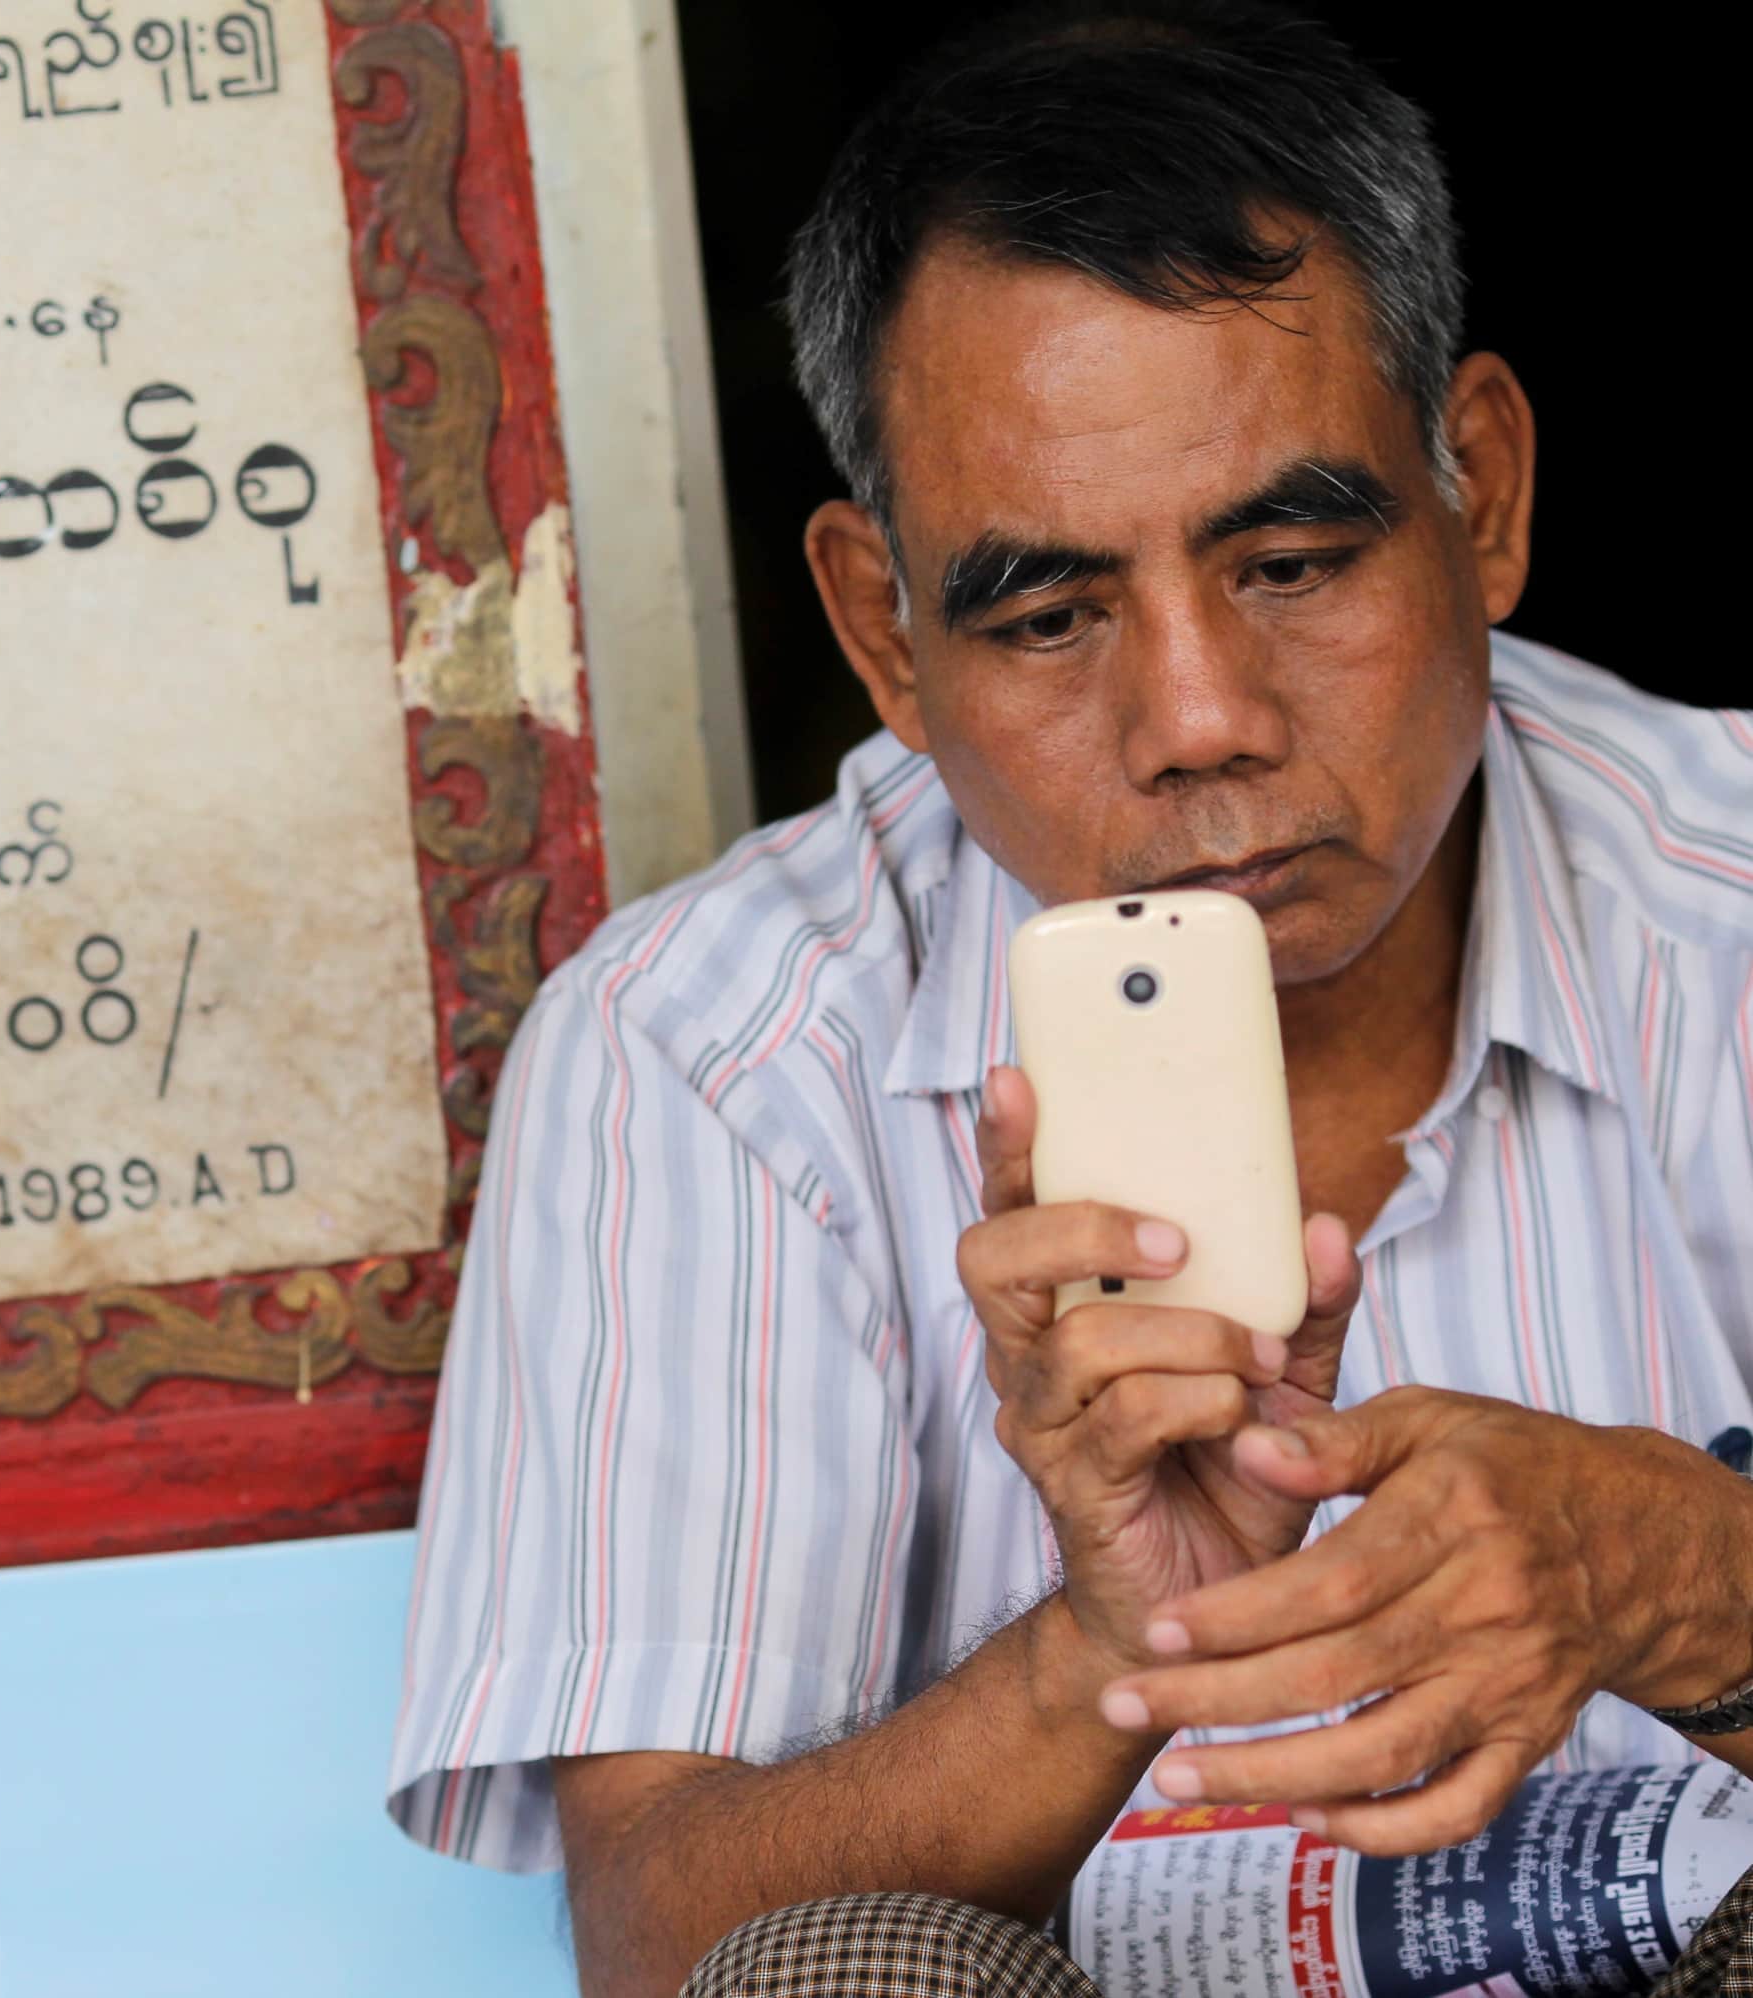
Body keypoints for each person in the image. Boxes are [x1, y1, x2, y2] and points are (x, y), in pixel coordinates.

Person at [383, 3, 1753, 1992]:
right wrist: (1107, 1657)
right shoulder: (703, 1062)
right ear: (883, 632)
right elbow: (664, 1940)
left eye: (1290, 562)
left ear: (1485, 487)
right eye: (1047, 616)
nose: (1199, 722)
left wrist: (1689, 1585)